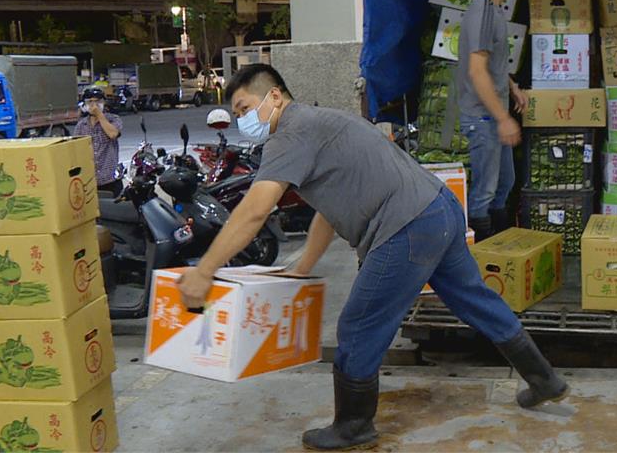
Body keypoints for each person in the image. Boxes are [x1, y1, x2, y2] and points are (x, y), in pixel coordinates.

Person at [176, 65, 568, 451]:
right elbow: (328, 210)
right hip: (439, 209)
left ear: (274, 96)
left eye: (245, 108)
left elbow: (255, 210)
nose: (243, 119)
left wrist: (205, 271)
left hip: (407, 226)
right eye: (238, 114)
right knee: (474, 299)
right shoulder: (322, 120)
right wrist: (303, 267)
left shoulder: (290, 134)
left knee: (359, 326)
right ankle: (544, 378)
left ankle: (353, 425)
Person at [455, 0, 528, 241]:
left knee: (504, 183)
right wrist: (503, 119)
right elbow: (476, 71)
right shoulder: (483, 14)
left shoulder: (494, 11)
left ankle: (500, 248)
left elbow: (492, 64)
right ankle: (481, 259)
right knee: (485, 191)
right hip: (483, 119)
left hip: (493, 116)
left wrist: (512, 88)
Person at [73, 87, 123, 196]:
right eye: (90, 101)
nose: (94, 105)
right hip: (89, 180)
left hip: (110, 179)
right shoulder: (81, 125)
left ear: (104, 103)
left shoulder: (113, 119)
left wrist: (99, 115)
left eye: (97, 101)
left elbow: (113, 134)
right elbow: (76, 149)